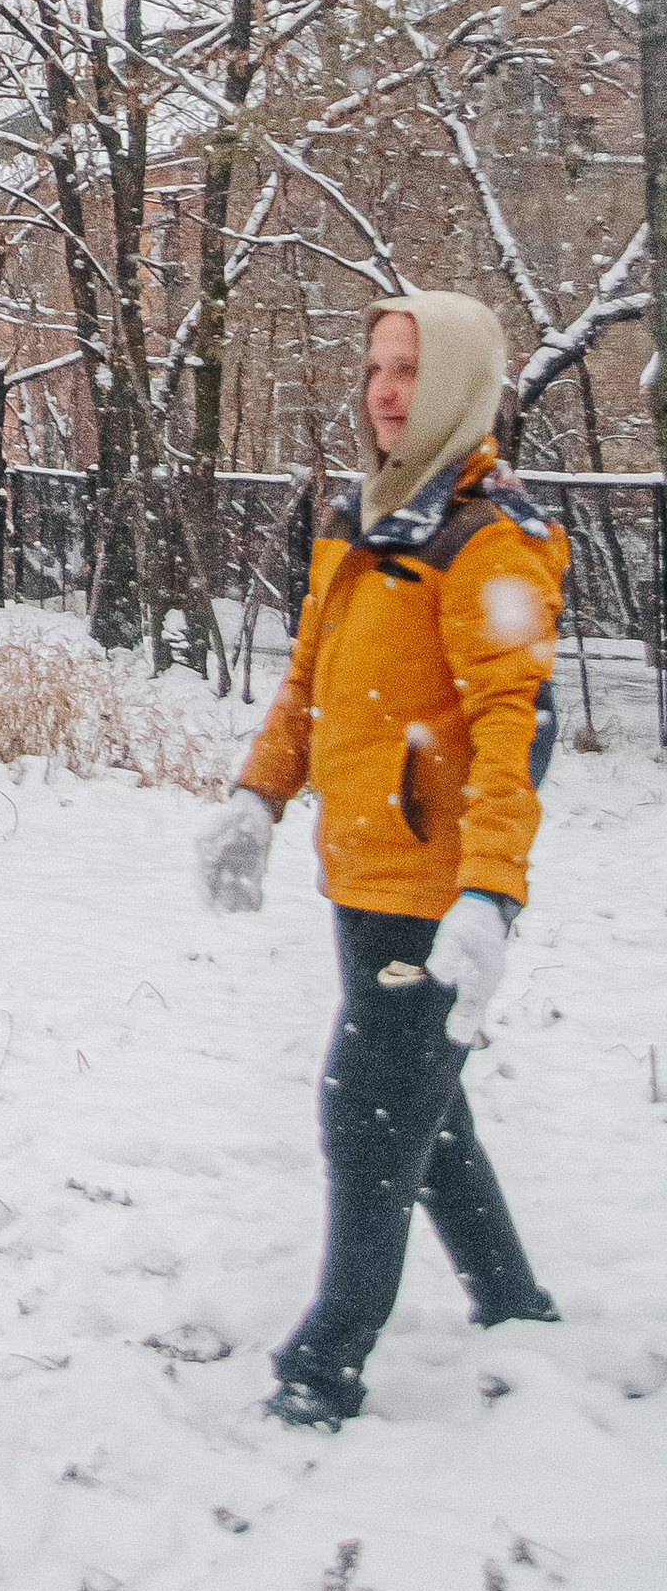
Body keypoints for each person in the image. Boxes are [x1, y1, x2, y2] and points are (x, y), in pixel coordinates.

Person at [194, 290, 567, 1429]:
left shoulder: (490, 535)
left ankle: (325, 1362)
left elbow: (515, 721)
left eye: (408, 368)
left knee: (365, 1109)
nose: (385, 390)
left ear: (456, 383)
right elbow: (310, 682)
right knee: (424, 1113)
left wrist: (491, 893)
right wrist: (260, 799)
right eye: (374, 369)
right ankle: (512, 1301)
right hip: (361, 874)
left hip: (436, 897)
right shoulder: (363, 516)